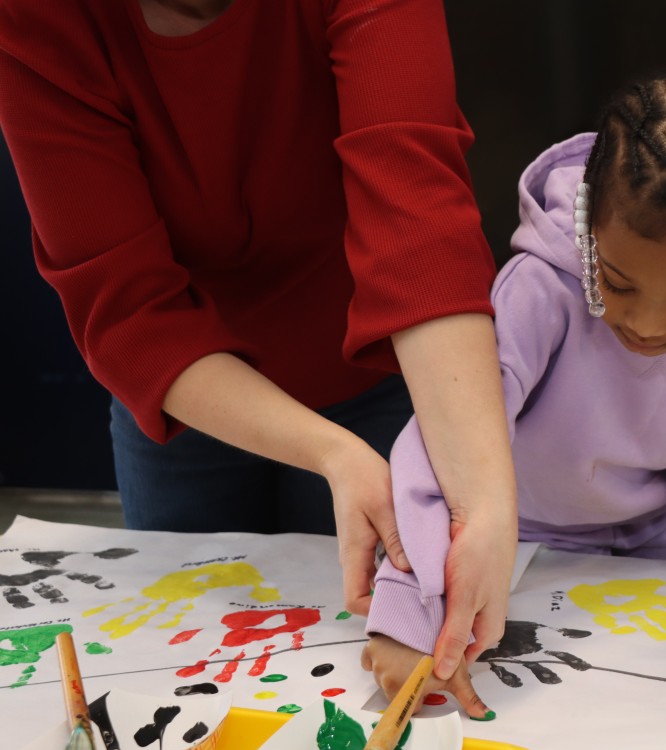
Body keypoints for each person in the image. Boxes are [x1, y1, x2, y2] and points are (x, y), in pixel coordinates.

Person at [0, 0, 518, 617]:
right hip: (186, 398)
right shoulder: (36, 18)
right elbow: (129, 312)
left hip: (370, 368)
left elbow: (418, 220)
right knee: (183, 652)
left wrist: (485, 502)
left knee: (377, 625)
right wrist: (333, 453)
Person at [361, 69, 666, 717]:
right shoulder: (538, 288)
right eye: (616, 282)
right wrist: (406, 614)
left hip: (656, 535)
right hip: (511, 533)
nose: (645, 324)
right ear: (588, 231)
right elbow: (447, 441)